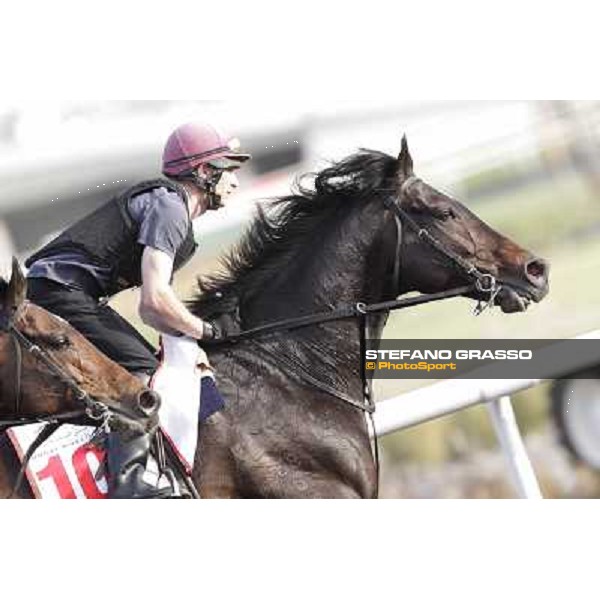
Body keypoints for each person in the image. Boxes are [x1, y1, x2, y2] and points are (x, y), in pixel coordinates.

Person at [25, 122, 251, 498]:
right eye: (229, 169)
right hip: (60, 294)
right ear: (204, 172)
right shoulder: (170, 208)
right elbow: (155, 301)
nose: (236, 181)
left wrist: (195, 333)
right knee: (143, 378)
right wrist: (206, 331)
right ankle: (128, 487)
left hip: (65, 293)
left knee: (151, 368)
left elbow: (152, 313)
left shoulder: (171, 209)